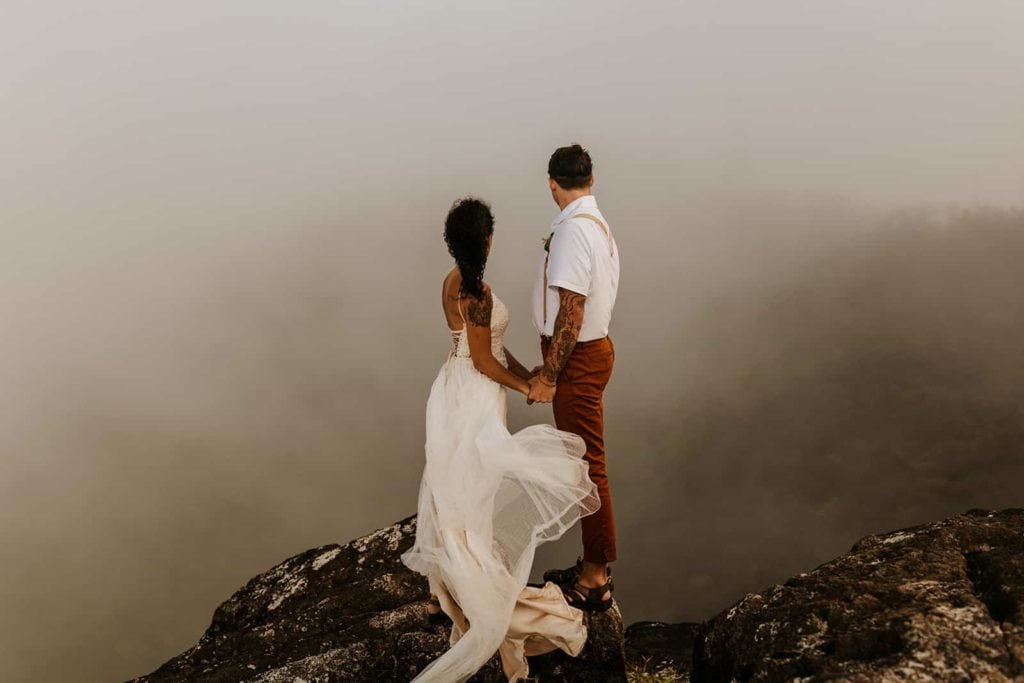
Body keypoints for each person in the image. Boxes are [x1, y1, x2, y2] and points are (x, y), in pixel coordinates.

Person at [400, 197, 600, 682]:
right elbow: (485, 360)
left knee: (455, 485)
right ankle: (472, 592)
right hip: (474, 393)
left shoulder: (453, 280)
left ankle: (443, 591)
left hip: (452, 388)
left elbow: (487, 346)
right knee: (476, 488)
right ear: (486, 240)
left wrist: (527, 372)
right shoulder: (478, 292)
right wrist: (528, 387)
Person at [528, 144, 620, 612]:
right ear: (591, 179)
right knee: (586, 462)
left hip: (577, 359)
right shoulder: (595, 223)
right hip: (588, 354)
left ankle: (596, 577)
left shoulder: (572, 231)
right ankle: (593, 562)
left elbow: (572, 309)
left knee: (588, 467)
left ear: (551, 183)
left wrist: (549, 375)